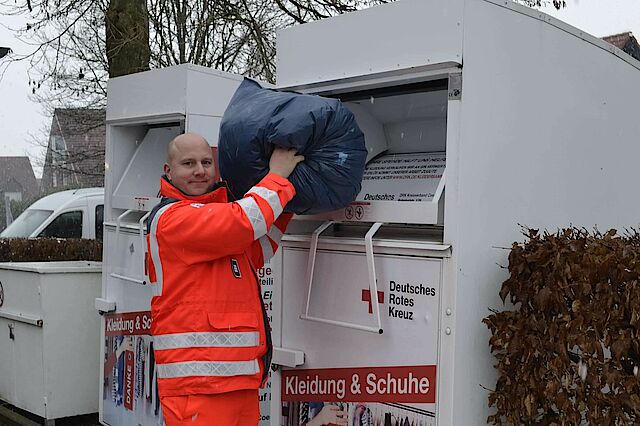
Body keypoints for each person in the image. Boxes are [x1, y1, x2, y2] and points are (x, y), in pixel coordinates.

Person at [146, 132, 303, 425]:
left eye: (206, 162)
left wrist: (285, 205)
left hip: (237, 382)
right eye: (188, 163)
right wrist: (278, 177)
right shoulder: (172, 218)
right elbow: (243, 224)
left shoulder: (215, 216)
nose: (200, 171)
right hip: (199, 388)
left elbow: (257, 247)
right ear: (168, 171)